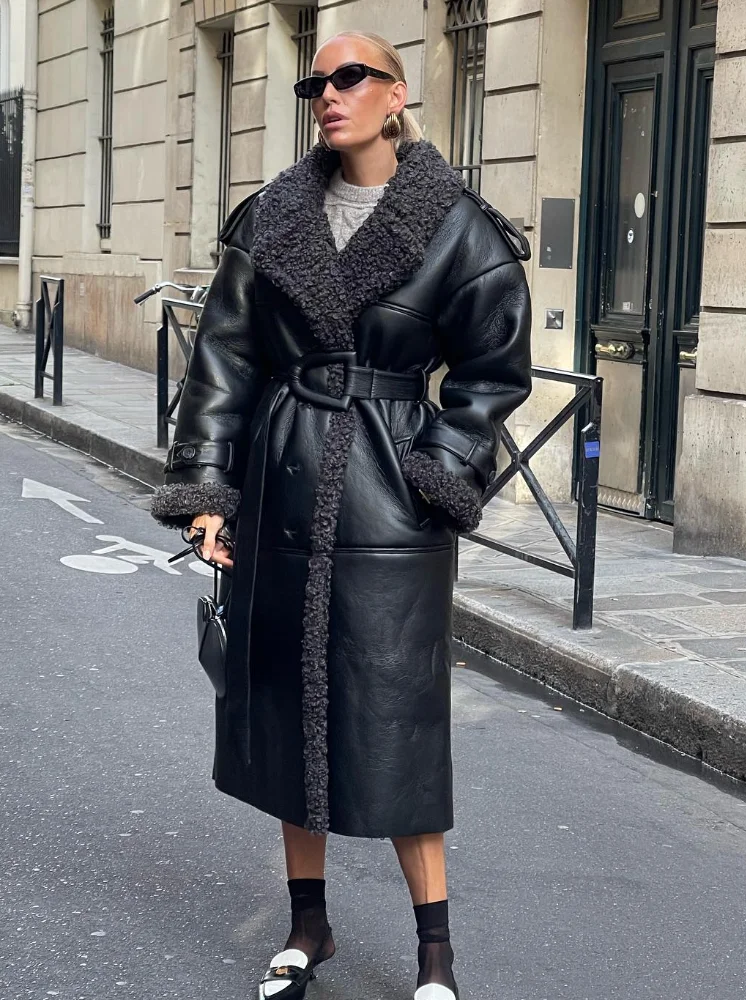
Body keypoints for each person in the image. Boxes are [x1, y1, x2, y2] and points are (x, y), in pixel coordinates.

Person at [150, 29, 532, 1000]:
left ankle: (435, 956)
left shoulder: (454, 224)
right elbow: (225, 361)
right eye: (316, 80)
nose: (329, 93)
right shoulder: (272, 214)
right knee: (285, 707)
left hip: (390, 505)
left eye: (351, 76)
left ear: (396, 94)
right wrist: (207, 491)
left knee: (397, 715)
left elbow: (492, 368)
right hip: (282, 485)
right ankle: (306, 928)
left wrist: (437, 469)